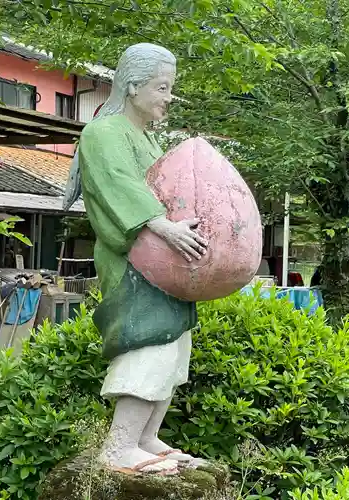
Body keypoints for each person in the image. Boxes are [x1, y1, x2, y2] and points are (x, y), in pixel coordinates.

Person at [77, 43, 208, 475]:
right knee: (146, 342)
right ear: (133, 86)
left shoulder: (148, 138)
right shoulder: (104, 132)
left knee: (172, 345)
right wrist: (163, 226)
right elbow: (119, 189)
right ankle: (117, 447)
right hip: (133, 261)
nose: (168, 97)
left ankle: (146, 437)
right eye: (162, 87)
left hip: (167, 264)